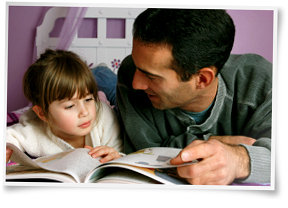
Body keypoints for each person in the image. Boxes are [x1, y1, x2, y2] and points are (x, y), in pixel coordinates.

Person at [115, 9, 272, 185]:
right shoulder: (130, 74)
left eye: (151, 77)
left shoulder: (264, 83)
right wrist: (216, 141)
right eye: (138, 67)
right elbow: (143, 156)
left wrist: (239, 159)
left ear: (202, 79)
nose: (136, 84)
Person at [6, 49, 123, 164]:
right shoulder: (35, 130)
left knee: (109, 83)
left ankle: (99, 76)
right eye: (70, 106)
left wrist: (115, 155)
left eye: (88, 99)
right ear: (43, 113)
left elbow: (121, 154)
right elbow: (9, 137)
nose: (85, 112)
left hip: (104, 95)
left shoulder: (103, 116)